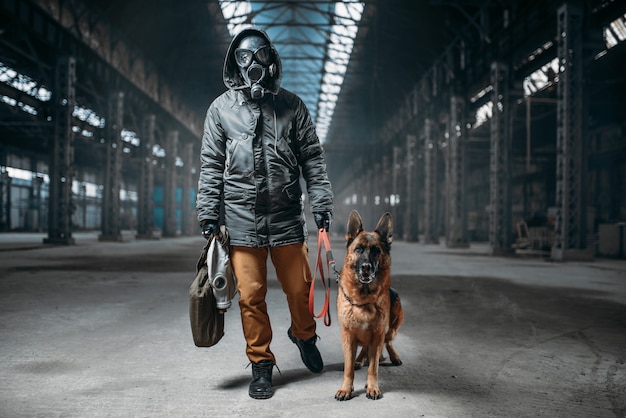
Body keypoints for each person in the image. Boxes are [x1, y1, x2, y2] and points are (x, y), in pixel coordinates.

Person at [195, 27, 333, 400]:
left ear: (271, 60)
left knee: (299, 289)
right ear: (234, 64)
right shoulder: (220, 109)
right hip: (240, 221)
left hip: (287, 218)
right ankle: (261, 363)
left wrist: (320, 202)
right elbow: (211, 164)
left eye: (259, 55)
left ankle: (303, 335)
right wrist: (209, 211)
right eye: (243, 57)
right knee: (250, 296)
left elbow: (313, 160)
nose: (252, 64)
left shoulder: (292, 106)